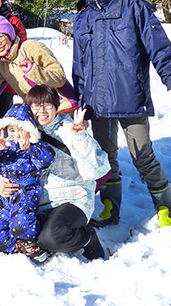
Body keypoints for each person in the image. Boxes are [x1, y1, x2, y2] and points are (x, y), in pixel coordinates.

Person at [73, 0, 171, 228]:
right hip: (97, 104)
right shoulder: (83, 17)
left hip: (131, 98)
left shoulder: (136, 8)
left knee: (142, 156)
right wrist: (79, 102)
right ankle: (111, 210)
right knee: (105, 159)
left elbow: (159, 48)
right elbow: (79, 65)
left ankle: (165, 209)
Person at [28, 85, 110, 260]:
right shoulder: (25, 132)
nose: (41, 111)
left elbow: (96, 168)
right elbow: (5, 166)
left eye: (47, 105)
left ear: (57, 106)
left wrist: (80, 137)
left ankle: (88, 238)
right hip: (39, 201)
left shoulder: (69, 129)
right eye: (35, 106)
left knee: (52, 237)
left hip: (72, 198)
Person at [0, 104, 54, 262]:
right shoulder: (4, 149)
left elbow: (47, 159)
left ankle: (30, 242)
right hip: (5, 197)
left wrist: (31, 148)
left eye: (21, 130)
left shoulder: (35, 148)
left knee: (21, 223)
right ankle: (18, 248)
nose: (17, 136)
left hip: (25, 194)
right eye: (12, 131)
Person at [0, 15, 78, 111]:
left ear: (10, 35)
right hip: (39, 115)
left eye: (0, 37)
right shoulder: (1, 65)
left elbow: (59, 77)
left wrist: (33, 70)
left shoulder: (30, 47)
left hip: (64, 109)